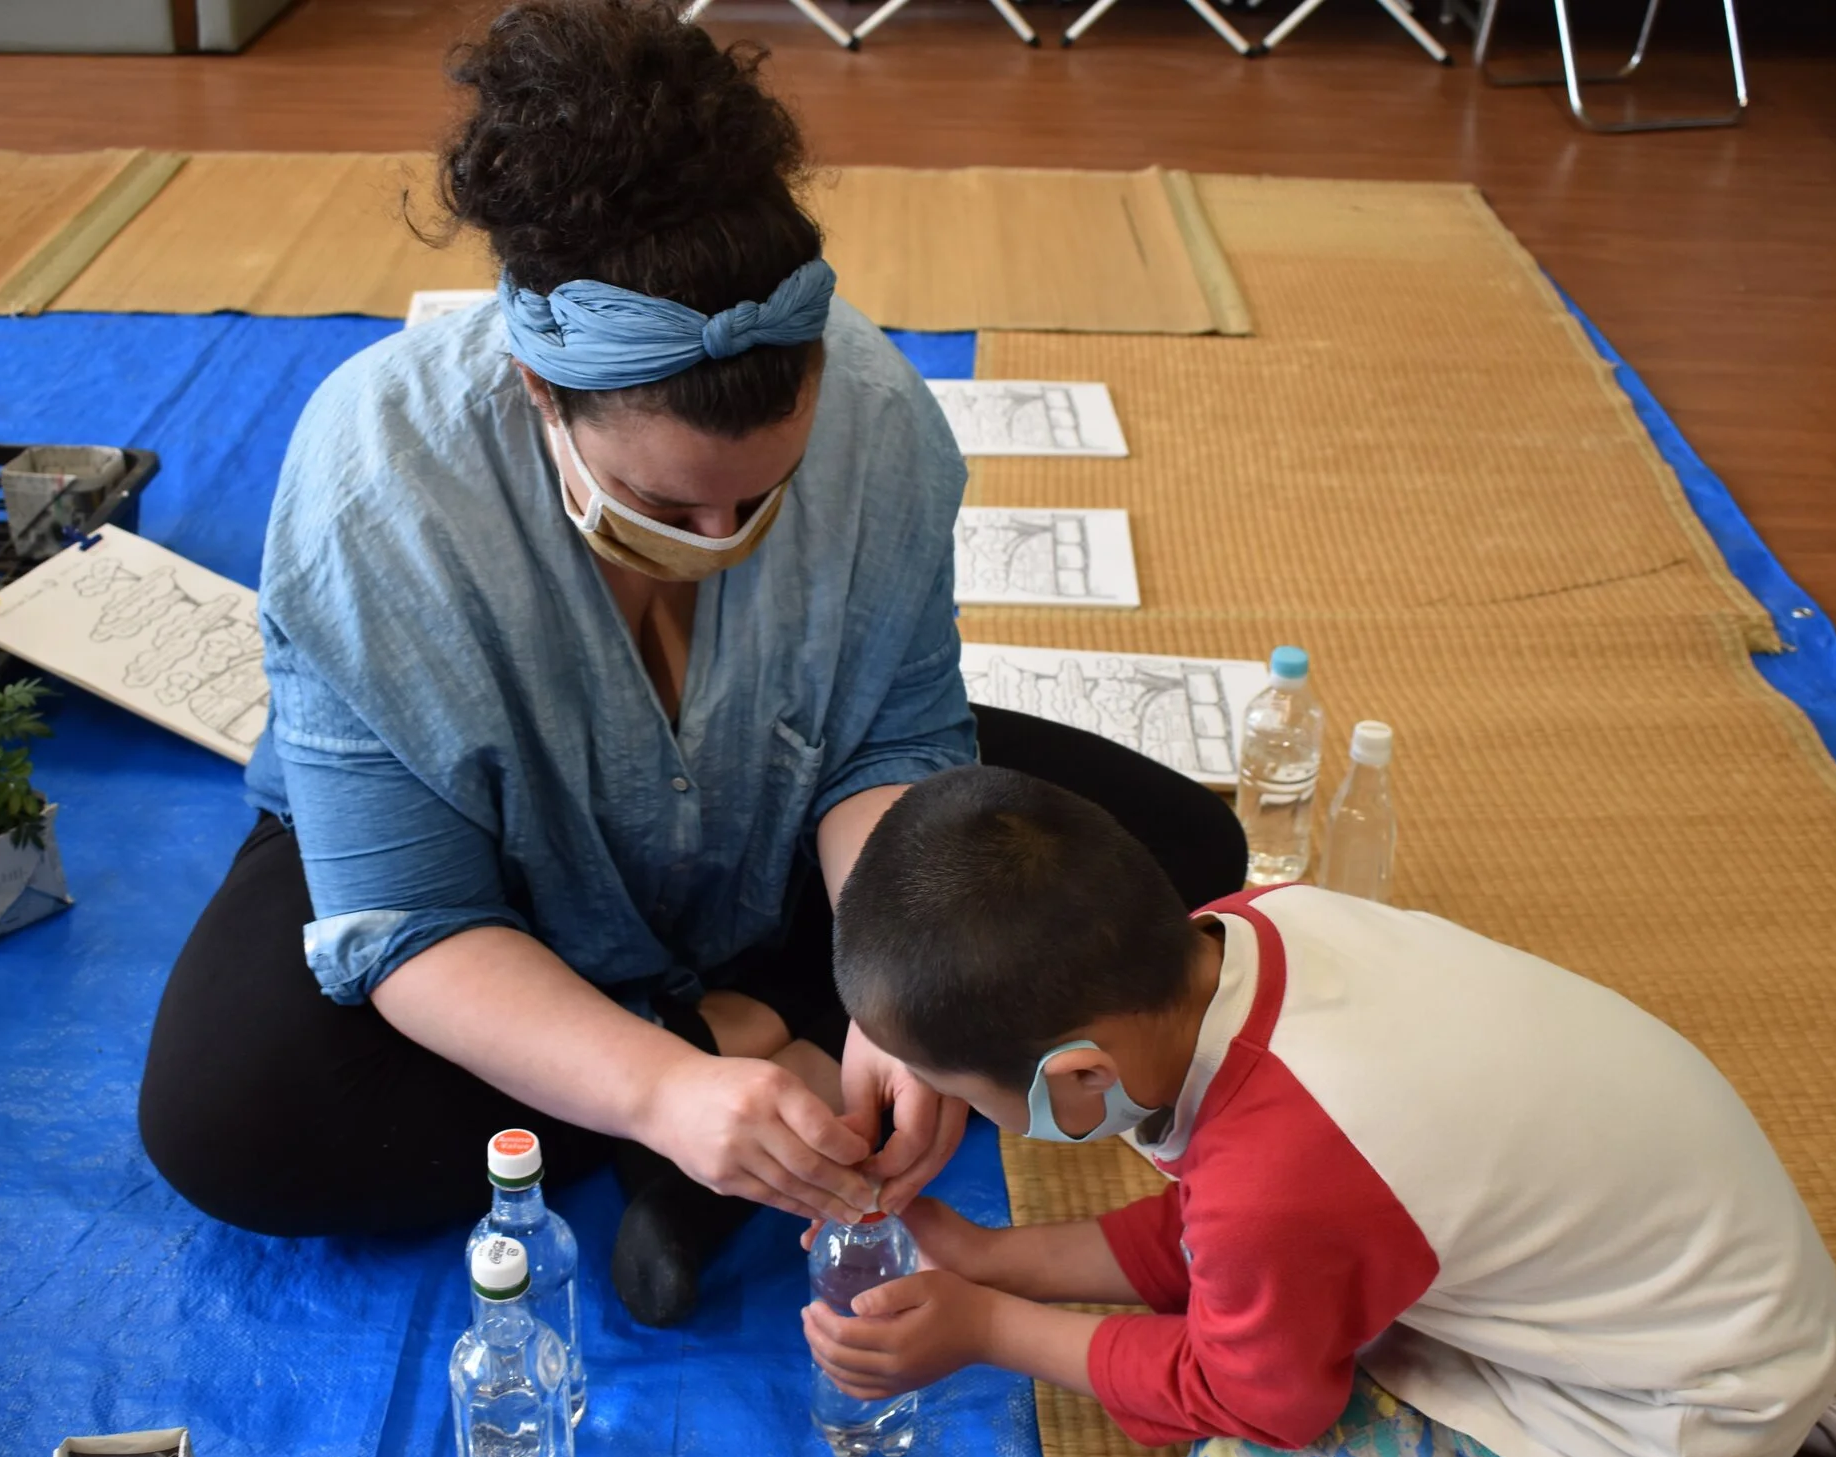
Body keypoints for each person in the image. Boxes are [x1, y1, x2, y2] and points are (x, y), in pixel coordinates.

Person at [134, 0, 1244, 1328]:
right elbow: (412, 916)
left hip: (770, 826)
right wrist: (661, 1088)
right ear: (541, 389)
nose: (719, 541)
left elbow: (890, 743)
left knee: (1181, 860)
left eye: (763, 496)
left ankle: (733, 1092)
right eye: (667, 503)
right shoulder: (375, 487)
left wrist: (901, 972)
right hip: (495, 879)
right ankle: (695, 1088)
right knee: (227, 1119)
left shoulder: (880, 416)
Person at [807, 766, 1836, 1457]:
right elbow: (1224, 1222)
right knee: (1327, 1281)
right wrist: (993, 1256)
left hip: (1663, 1410)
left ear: (1077, 1077)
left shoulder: (1287, 1175)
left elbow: (1253, 1395)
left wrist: (995, 1328)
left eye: (967, 1101)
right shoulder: (1259, 927)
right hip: (1719, 1273)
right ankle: (1771, 1398)